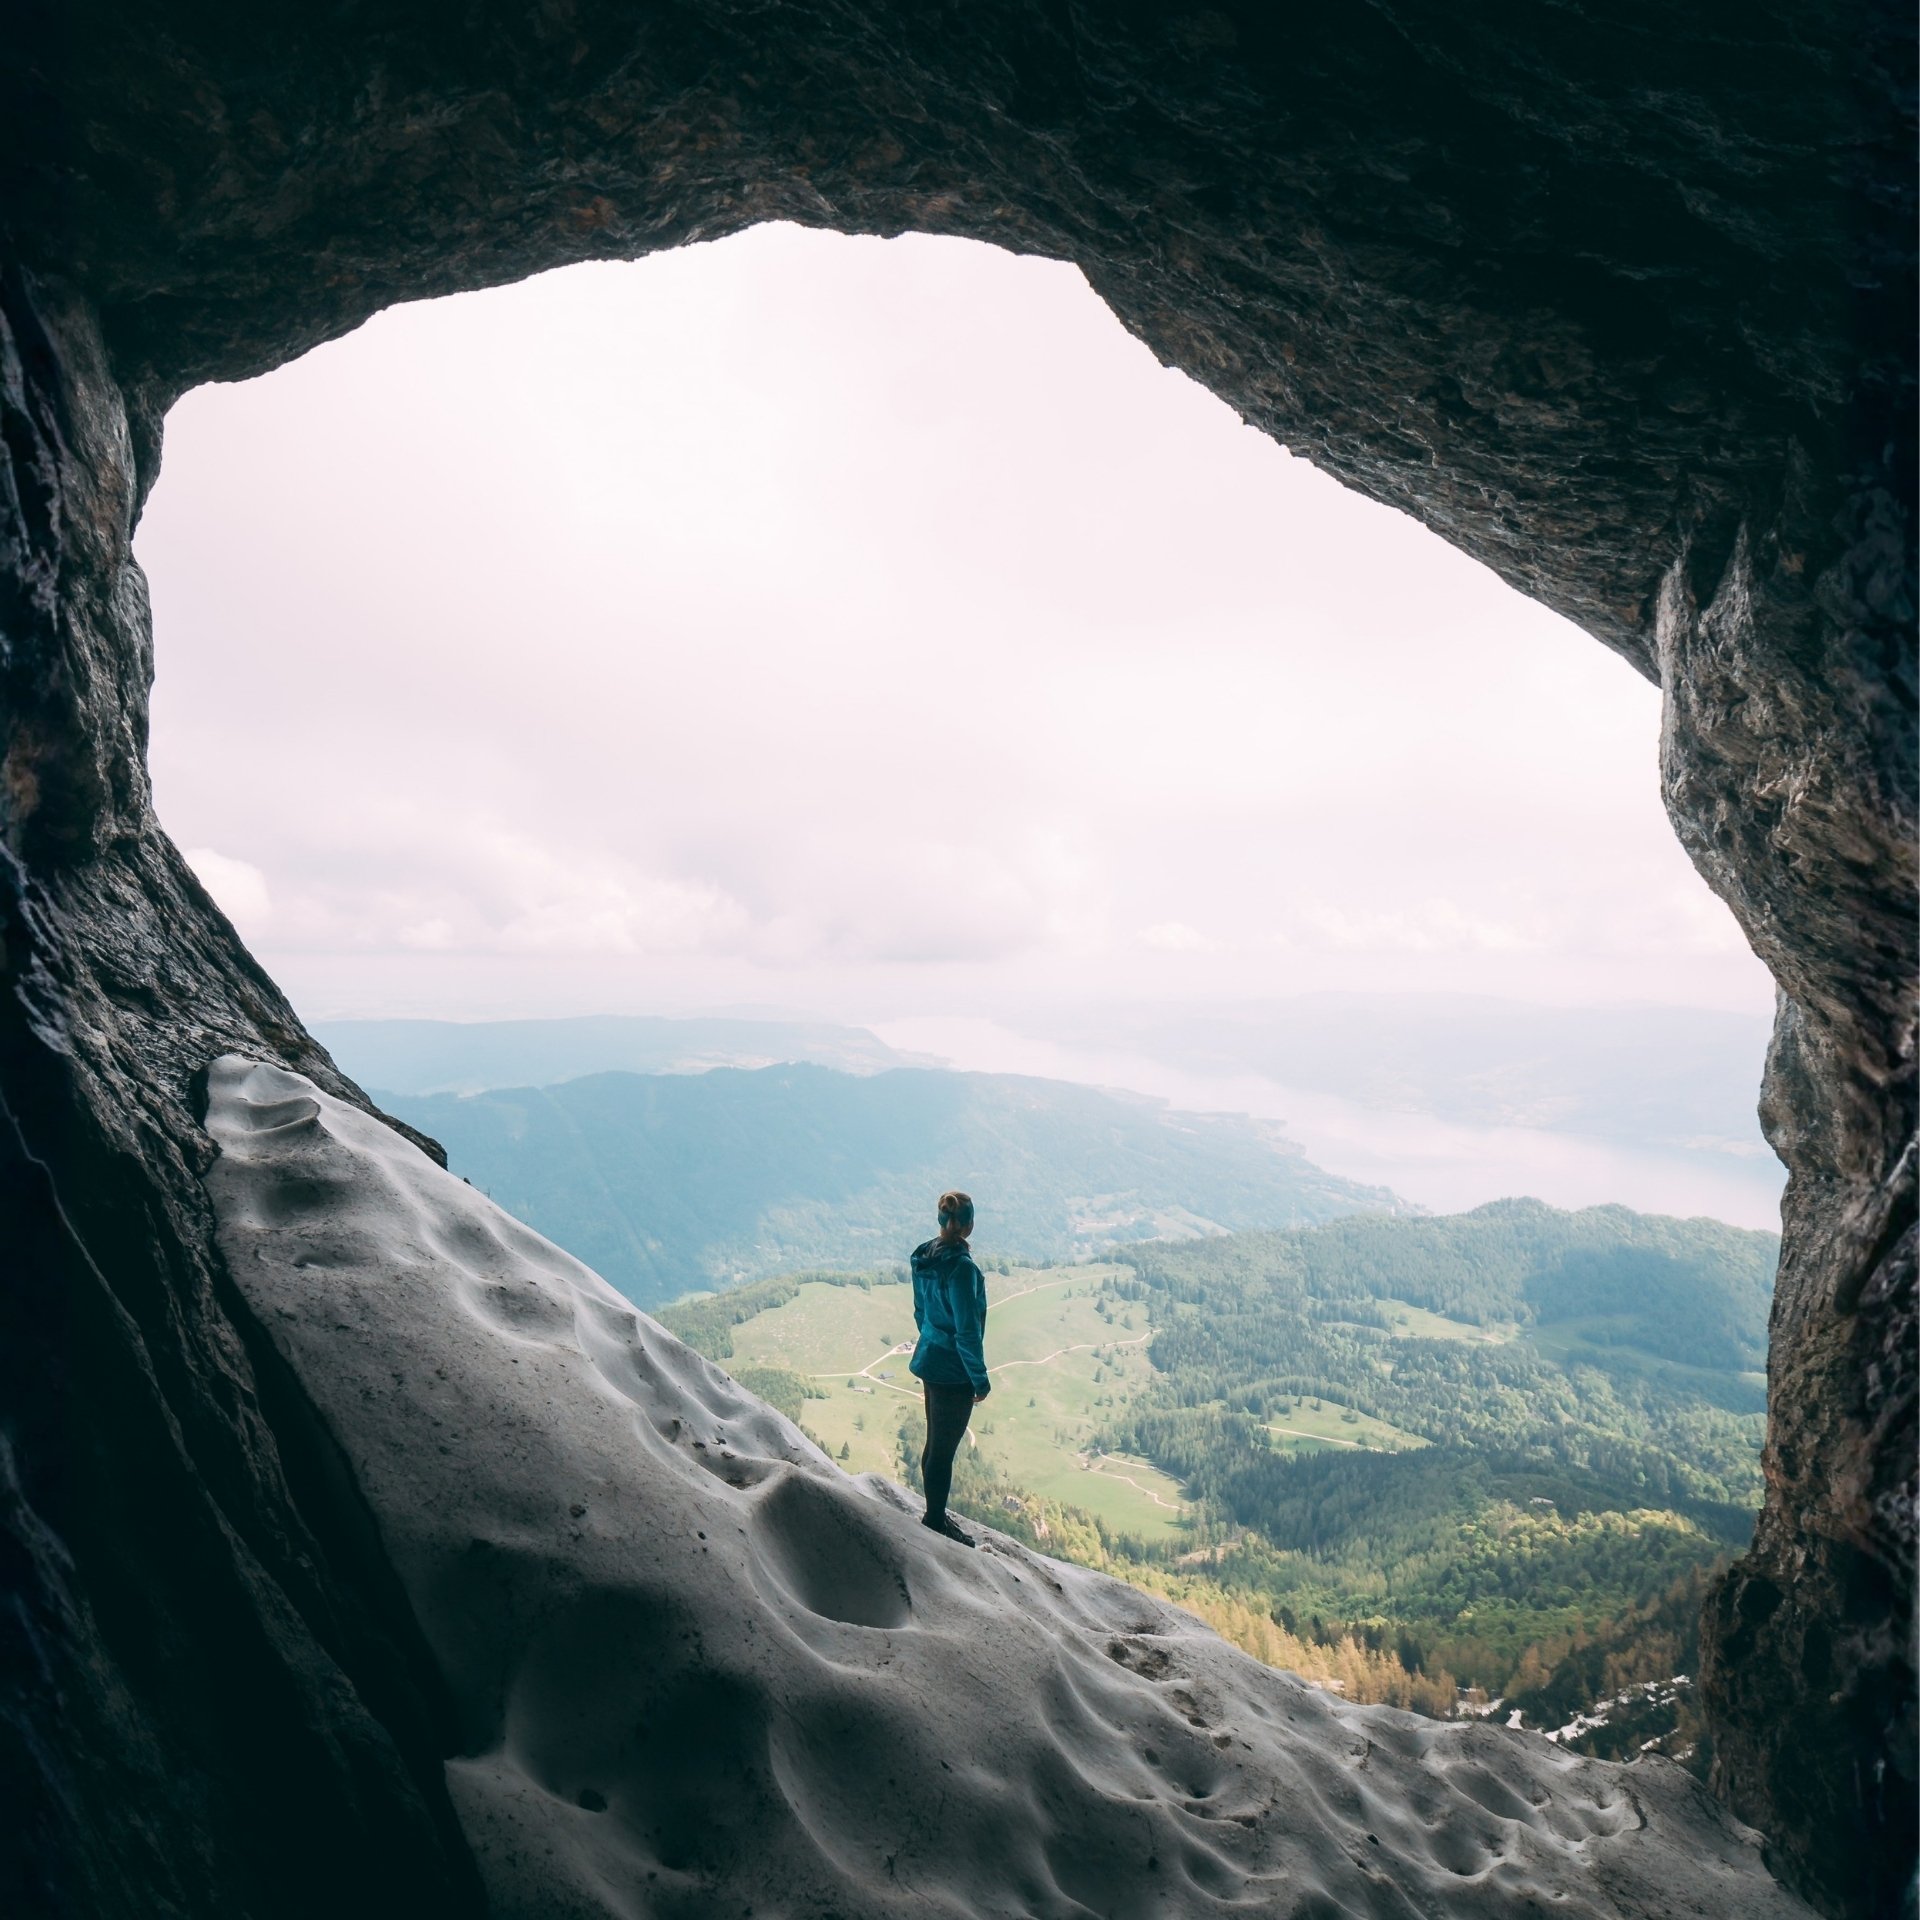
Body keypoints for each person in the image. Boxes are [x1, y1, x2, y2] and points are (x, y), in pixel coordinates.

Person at [908, 1189, 990, 1546]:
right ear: (969, 1225)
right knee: (943, 1450)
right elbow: (968, 1331)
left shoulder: (925, 1255)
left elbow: (920, 1311)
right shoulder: (961, 1269)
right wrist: (980, 1380)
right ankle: (935, 1521)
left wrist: (930, 1340)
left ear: (942, 1221)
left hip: (930, 1358)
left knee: (934, 1445)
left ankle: (934, 1514)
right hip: (954, 1371)